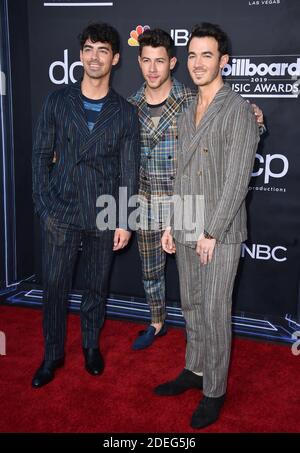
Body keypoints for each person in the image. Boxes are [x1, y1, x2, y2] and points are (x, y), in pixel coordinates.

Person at [128, 28, 264, 350]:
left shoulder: (189, 98)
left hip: (192, 205)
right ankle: (156, 323)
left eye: (159, 61)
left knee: (206, 299)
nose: (152, 68)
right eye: (146, 61)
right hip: (150, 200)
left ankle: (208, 375)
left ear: (171, 63)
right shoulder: (130, 104)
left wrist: (255, 119)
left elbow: (230, 121)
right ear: (138, 63)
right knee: (153, 272)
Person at [155, 22, 260, 429]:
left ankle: (214, 390)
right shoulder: (184, 108)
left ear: (223, 61)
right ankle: (194, 369)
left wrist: (211, 232)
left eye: (207, 55)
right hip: (184, 226)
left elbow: (237, 180)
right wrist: (170, 224)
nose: (198, 63)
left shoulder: (238, 110)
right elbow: (181, 173)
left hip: (220, 232)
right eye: (193, 55)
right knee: (192, 306)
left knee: (215, 312)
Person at [31, 23, 140, 388]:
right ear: (80, 55)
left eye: (103, 50)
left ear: (115, 57)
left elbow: (129, 171)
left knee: (96, 286)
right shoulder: (57, 101)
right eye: (89, 49)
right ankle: (52, 354)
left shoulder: (125, 112)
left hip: (104, 212)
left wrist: (125, 220)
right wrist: (44, 206)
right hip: (60, 210)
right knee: (55, 286)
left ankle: (91, 346)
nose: (95, 56)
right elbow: (40, 155)